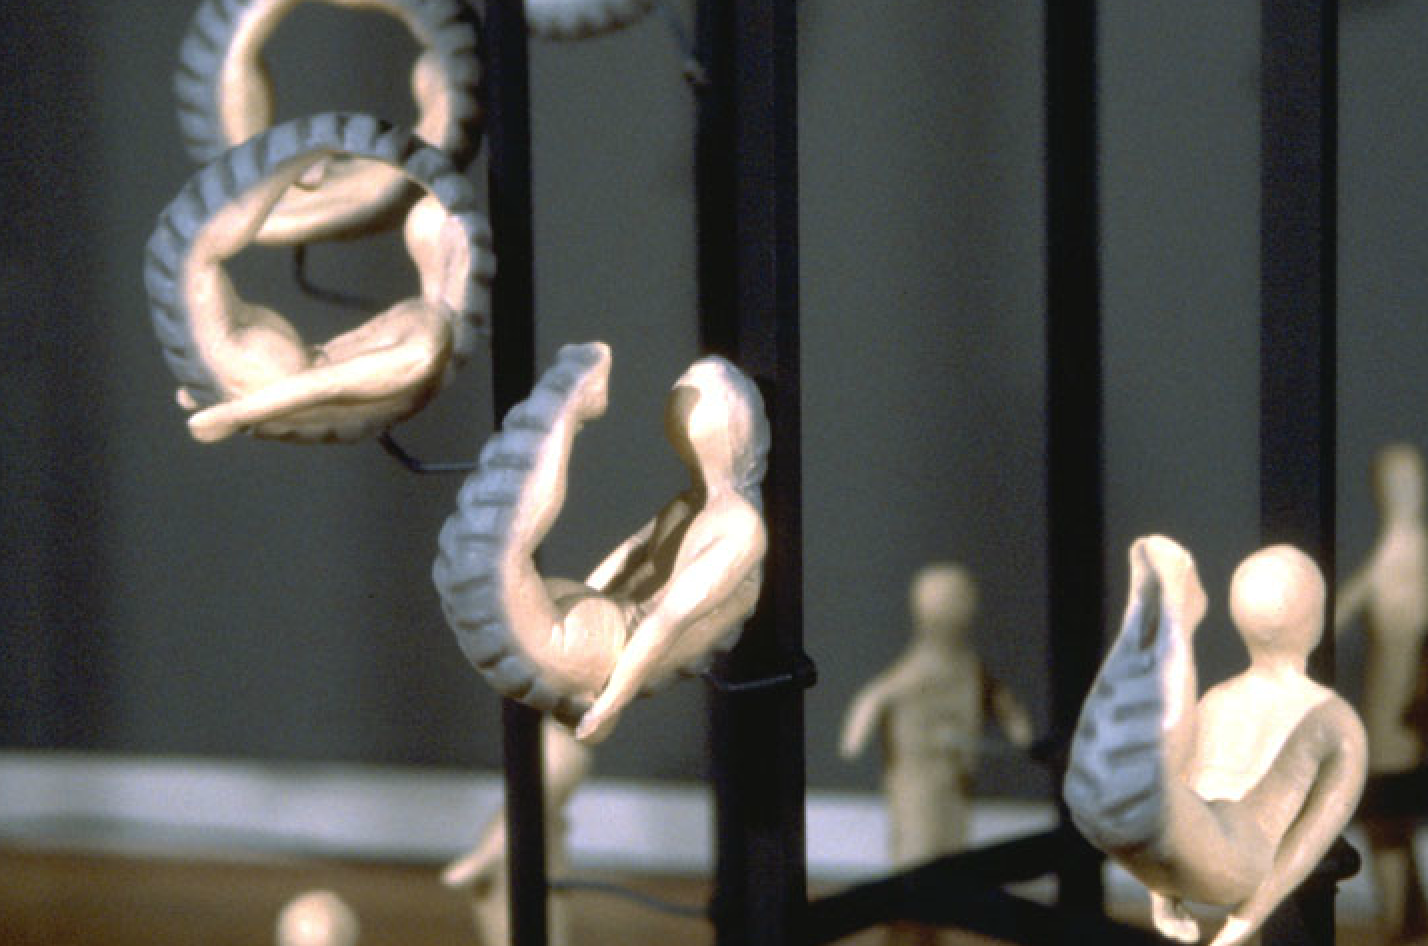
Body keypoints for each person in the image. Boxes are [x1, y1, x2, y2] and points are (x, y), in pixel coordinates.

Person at [436, 343, 770, 744]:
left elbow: (667, 620)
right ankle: (564, 414)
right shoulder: (689, 505)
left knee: (488, 572)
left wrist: (607, 707)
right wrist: (586, 595)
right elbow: (628, 554)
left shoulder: (741, 526)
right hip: (604, 618)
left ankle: (565, 414)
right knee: (485, 576)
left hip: (618, 640)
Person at [1065, 536, 1367, 946]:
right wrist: (1242, 919)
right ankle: (1162, 641)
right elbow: (1309, 840)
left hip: (1202, 843)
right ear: (1316, 620)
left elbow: (1176, 805)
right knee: (1153, 799)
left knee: (1145, 797)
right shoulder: (1336, 720)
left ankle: (1159, 641)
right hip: (1226, 850)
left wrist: (1164, 891)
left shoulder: (1220, 698)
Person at [1336, 443, 1428, 940]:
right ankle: (1405, 922)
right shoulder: (1387, 561)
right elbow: (1333, 620)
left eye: (1408, 480)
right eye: (1393, 482)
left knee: (1390, 823)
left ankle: (1400, 925)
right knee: (1390, 826)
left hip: (1403, 723)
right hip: (1388, 720)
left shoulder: (1406, 561)